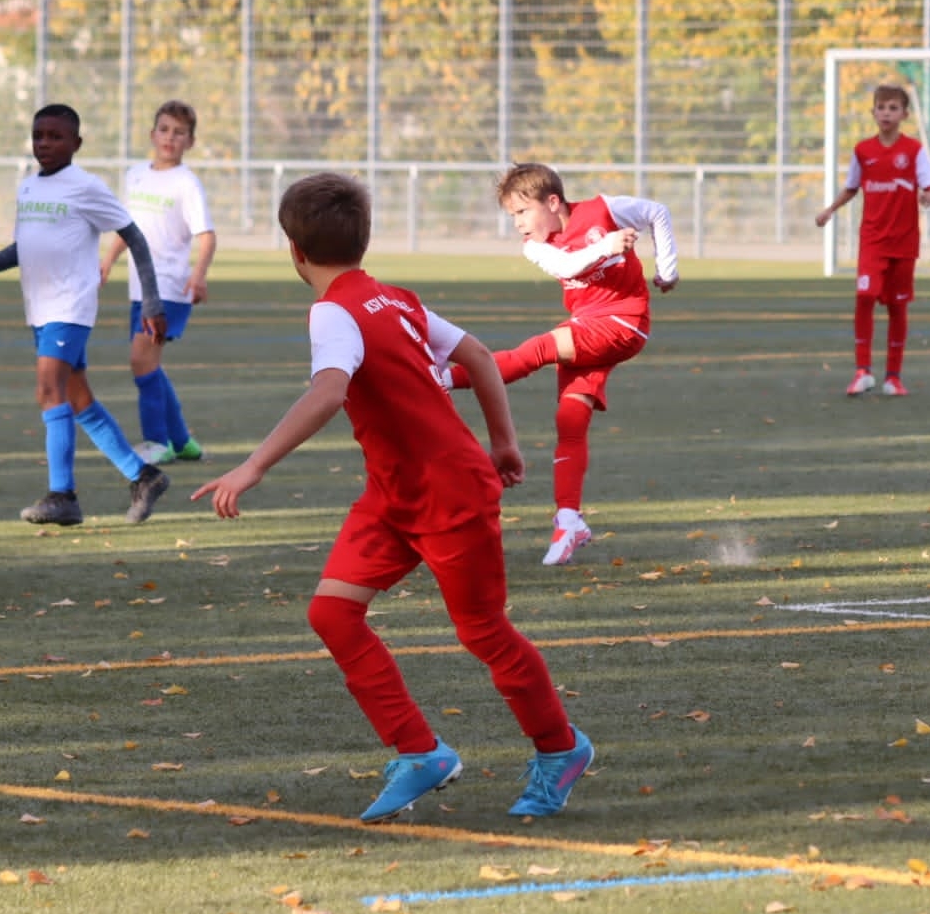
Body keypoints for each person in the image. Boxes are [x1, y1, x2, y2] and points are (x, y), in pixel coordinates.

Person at [191, 172, 593, 823]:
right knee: (332, 614)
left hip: (449, 493)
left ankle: (561, 747)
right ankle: (420, 752)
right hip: (394, 493)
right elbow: (479, 356)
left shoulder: (333, 311)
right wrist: (503, 443)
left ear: (295, 251)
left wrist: (253, 466)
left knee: (484, 632)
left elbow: (328, 391)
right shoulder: (393, 299)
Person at [445, 162, 678, 566]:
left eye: (523, 212)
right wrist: (607, 247)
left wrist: (667, 269)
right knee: (570, 421)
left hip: (623, 322)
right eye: (512, 215)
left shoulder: (604, 209)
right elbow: (567, 266)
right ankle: (569, 521)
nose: (518, 223)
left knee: (534, 351)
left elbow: (657, 211)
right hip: (586, 325)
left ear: (553, 202)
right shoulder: (535, 247)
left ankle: (441, 378)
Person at [0, 103, 169, 527]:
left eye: (55, 136)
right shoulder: (28, 188)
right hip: (40, 308)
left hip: (70, 306)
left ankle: (62, 495)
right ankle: (144, 476)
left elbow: (134, 236)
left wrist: (151, 302)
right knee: (77, 398)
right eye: (39, 136)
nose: (45, 144)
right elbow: (23, 248)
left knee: (49, 389)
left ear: (76, 143)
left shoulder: (86, 187)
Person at [100, 99, 215, 465]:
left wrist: (199, 275)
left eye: (179, 133)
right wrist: (107, 261)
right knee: (149, 363)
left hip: (170, 287)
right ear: (152, 134)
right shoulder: (135, 175)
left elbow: (206, 236)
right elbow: (127, 228)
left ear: (190, 141)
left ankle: (156, 441)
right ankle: (180, 441)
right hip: (141, 287)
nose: (170, 138)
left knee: (140, 360)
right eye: (164, 130)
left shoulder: (187, 183)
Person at [815, 83, 930, 398]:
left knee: (897, 306)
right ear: (873, 113)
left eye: (893, 108)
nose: (886, 113)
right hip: (872, 240)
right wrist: (830, 209)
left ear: (904, 114)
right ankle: (863, 372)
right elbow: (851, 186)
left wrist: (929, 196)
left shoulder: (914, 151)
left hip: (904, 242)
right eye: (881, 108)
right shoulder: (863, 151)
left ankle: (893, 378)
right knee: (865, 295)